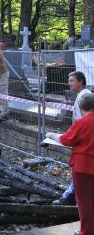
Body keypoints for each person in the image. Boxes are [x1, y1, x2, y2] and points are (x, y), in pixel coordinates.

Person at [46, 93, 94, 235]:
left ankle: (86, 232)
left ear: (80, 106)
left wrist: (52, 135)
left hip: (83, 167)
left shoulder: (81, 123)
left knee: (84, 201)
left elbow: (67, 140)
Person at [54, 71, 92, 205]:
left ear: (80, 81)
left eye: (71, 81)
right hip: (82, 137)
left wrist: (73, 135)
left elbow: (82, 121)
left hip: (84, 141)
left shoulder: (84, 96)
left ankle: (68, 198)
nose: (69, 83)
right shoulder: (82, 95)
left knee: (81, 172)